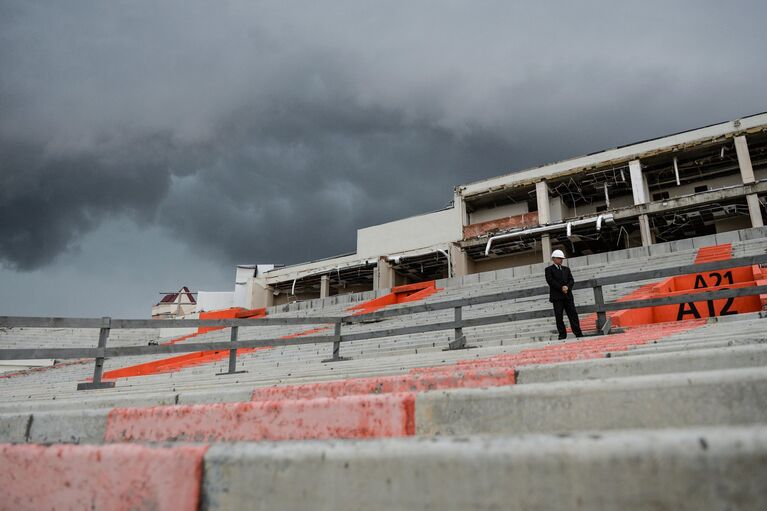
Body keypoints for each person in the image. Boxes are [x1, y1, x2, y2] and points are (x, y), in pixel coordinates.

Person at [544, 249, 584, 340]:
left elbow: (571, 280)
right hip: (557, 297)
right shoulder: (548, 270)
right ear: (553, 258)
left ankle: (578, 333)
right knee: (559, 316)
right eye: (559, 258)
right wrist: (561, 287)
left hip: (568, 296)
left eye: (562, 258)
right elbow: (550, 281)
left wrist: (567, 287)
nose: (561, 260)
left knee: (573, 315)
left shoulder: (566, 269)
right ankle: (562, 335)